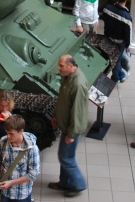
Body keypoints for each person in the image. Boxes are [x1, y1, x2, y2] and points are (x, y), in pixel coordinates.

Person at [48, 55, 88, 196]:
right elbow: (63, 100)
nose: (59, 68)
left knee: (66, 158)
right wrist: (56, 116)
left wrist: (71, 134)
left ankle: (79, 184)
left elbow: (77, 111)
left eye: (61, 65)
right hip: (67, 125)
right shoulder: (68, 78)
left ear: (71, 66)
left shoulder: (77, 84)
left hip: (72, 129)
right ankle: (64, 183)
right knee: (65, 156)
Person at [0, 115, 40, 202]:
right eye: (6, 133)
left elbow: (33, 174)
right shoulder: (3, 142)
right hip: (4, 192)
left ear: (21, 131)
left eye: (11, 133)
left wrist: (11, 183)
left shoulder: (32, 149)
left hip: (21, 195)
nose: (8, 136)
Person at [102, 0, 132, 83]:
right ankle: (115, 79)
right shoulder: (127, 17)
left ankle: (120, 75)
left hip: (108, 38)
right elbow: (128, 33)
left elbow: (104, 19)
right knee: (117, 61)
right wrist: (128, 44)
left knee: (108, 57)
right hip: (119, 42)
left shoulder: (107, 9)